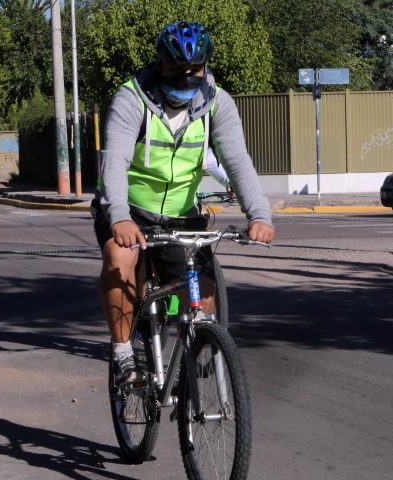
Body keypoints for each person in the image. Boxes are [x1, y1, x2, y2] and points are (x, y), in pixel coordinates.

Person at [95, 21, 275, 386]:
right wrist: (119, 218)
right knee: (120, 259)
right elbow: (114, 161)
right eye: (176, 68)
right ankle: (124, 355)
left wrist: (259, 214)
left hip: (180, 212)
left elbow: (238, 162)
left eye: (194, 69)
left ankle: (187, 364)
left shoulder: (217, 103)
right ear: (160, 62)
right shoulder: (131, 98)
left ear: (205, 65)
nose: (185, 76)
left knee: (202, 295)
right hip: (128, 209)